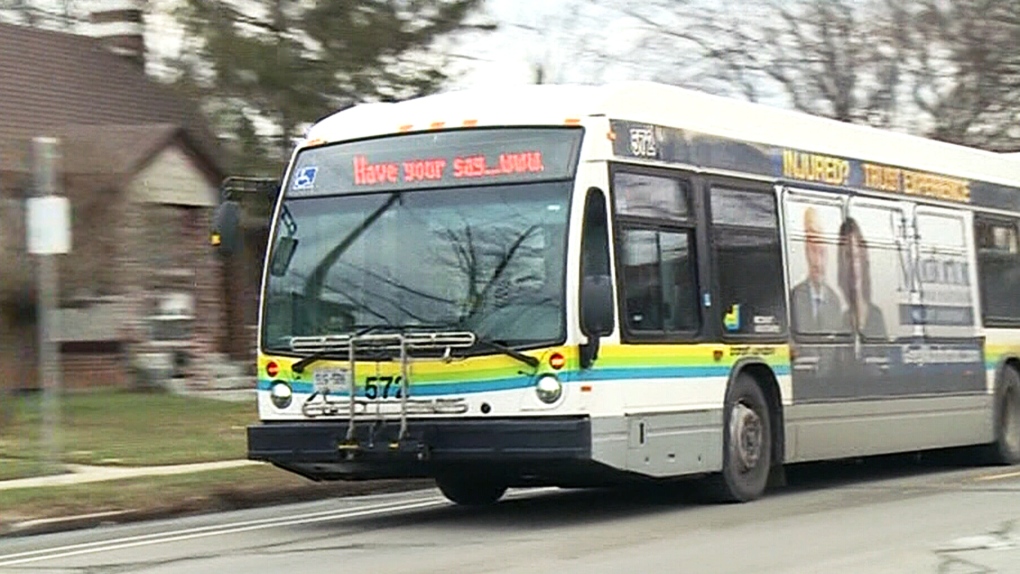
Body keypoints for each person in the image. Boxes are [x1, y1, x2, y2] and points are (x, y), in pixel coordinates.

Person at [791, 207, 846, 334]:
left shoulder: (834, 301)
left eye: (822, 253)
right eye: (813, 251)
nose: (817, 262)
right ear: (805, 252)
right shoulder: (794, 296)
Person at [838, 217, 888, 341]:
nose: (853, 266)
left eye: (856, 257)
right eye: (848, 257)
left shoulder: (876, 316)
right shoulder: (842, 319)